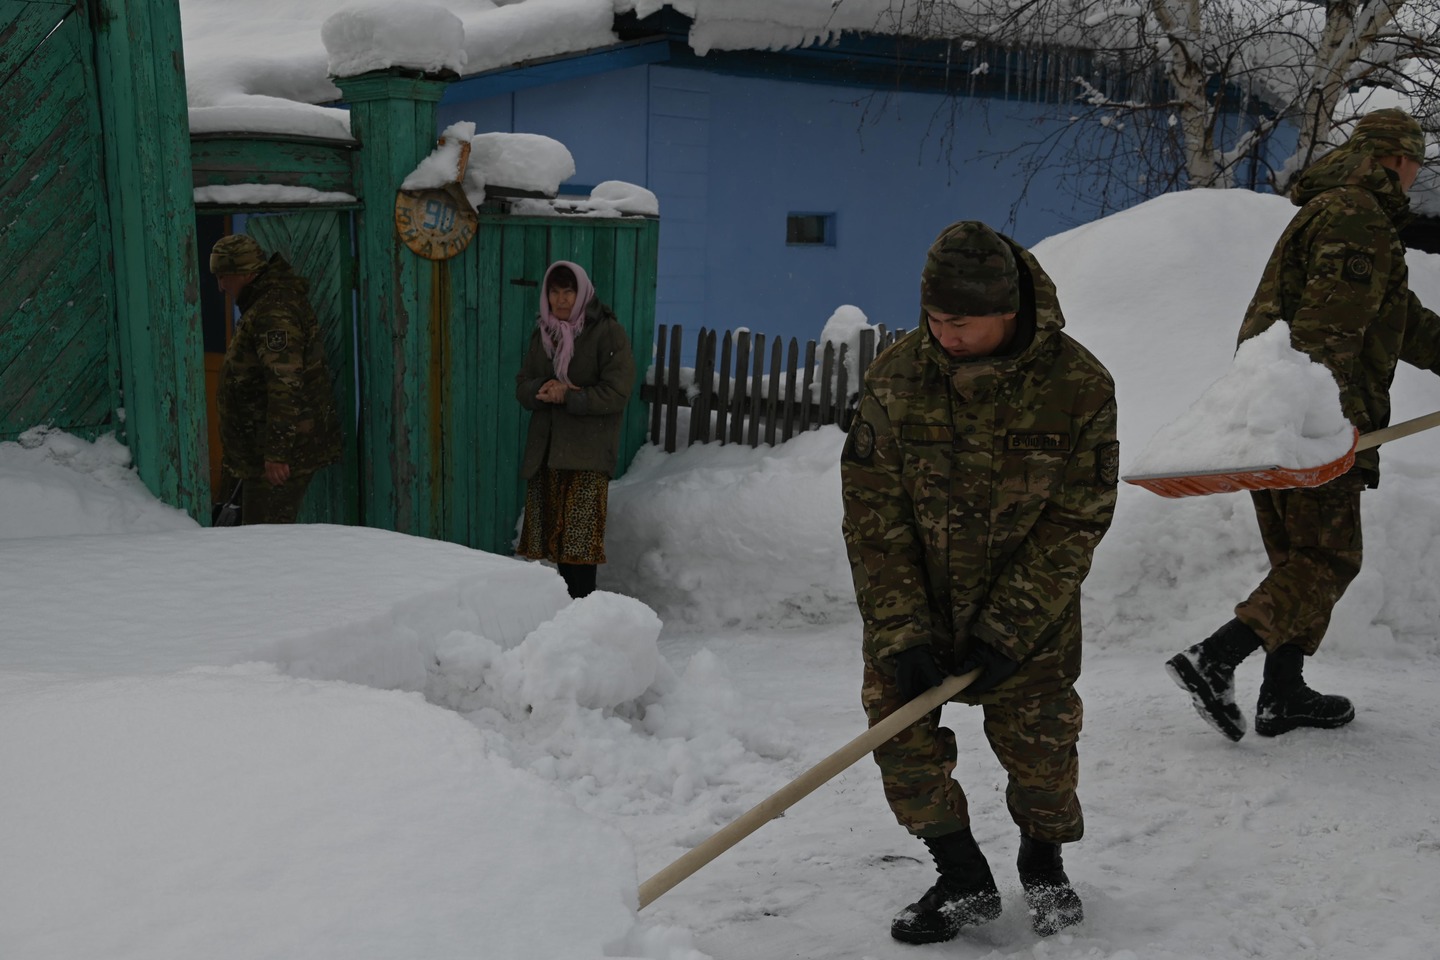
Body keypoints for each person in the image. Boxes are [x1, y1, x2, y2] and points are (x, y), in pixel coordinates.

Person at [841, 221, 1118, 943]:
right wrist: (902, 631)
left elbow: (1077, 519)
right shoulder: (898, 379)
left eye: (960, 324)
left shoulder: (1078, 387)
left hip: (1031, 615)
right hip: (918, 605)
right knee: (901, 739)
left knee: (1043, 754)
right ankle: (962, 876)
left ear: (1009, 310)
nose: (944, 336)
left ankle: (1044, 865)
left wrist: (1008, 627)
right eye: (934, 319)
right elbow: (873, 516)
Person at [1165, 108, 1440, 741]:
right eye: (1415, 164)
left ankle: (1283, 692)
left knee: (1299, 560)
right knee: (1328, 558)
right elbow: (1327, 331)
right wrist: (1324, 428)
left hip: (1280, 410)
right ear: (1399, 159)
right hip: (1310, 419)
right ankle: (1215, 658)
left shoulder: (1337, 212)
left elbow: (1402, 321)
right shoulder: (1357, 217)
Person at [515, 261, 636, 598]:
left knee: (579, 549)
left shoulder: (607, 332)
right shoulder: (544, 333)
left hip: (586, 456)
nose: (561, 299)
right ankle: (567, 614)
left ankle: (584, 615)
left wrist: (569, 396)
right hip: (548, 453)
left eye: (569, 291)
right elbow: (523, 384)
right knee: (557, 547)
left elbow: (617, 393)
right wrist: (541, 389)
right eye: (554, 292)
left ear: (582, 293)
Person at [208, 233, 342, 525]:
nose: (220, 286)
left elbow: (285, 383)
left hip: (276, 458)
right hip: (258, 453)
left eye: (223, 276)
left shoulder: (274, 311)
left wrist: (277, 454)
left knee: (266, 540)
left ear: (245, 273)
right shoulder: (262, 304)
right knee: (251, 534)